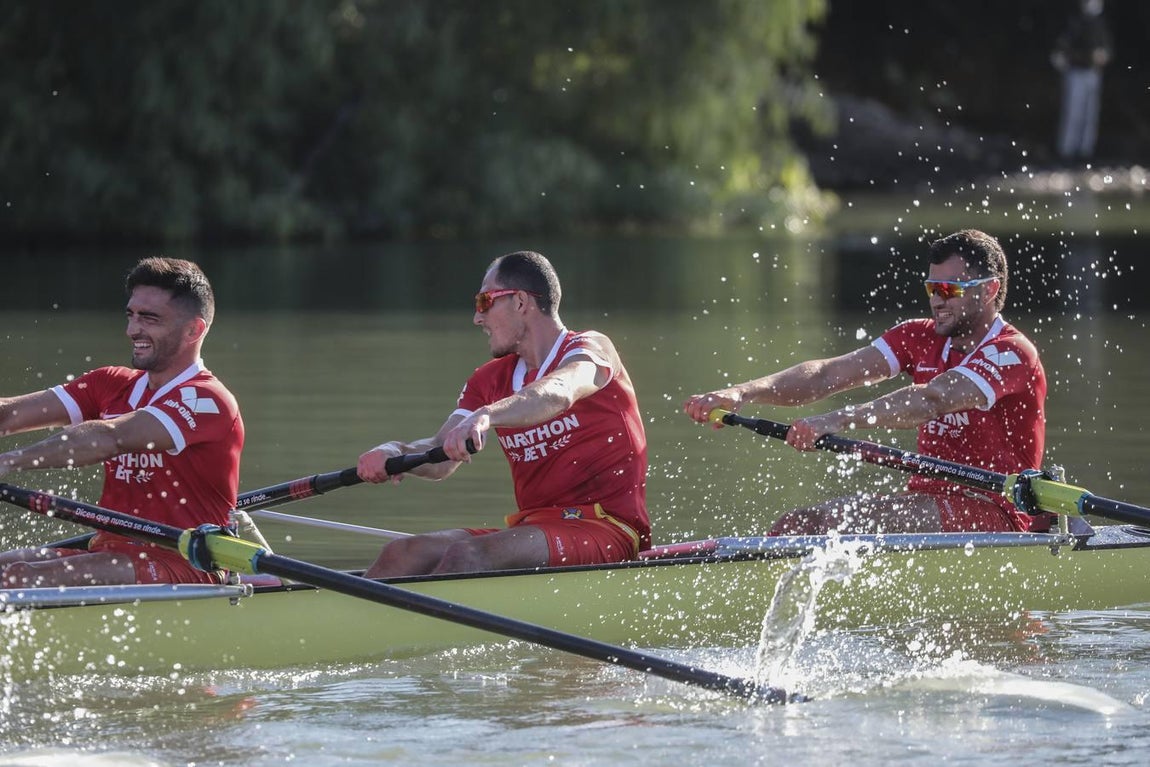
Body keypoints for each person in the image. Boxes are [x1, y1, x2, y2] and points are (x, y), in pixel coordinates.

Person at [683, 229, 1048, 535]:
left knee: (822, 525)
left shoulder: (1012, 353)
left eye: (949, 290)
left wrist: (838, 420)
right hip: (928, 500)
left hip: (995, 511)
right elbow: (827, 374)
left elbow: (933, 399)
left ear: (987, 290)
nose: (936, 300)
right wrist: (742, 392)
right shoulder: (918, 337)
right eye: (931, 288)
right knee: (799, 524)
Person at [357, 251, 649, 577]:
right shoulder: (489, 380)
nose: (477, 318)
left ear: (521, 302)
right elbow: (440, 456)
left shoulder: (590, 349)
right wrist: (397, 452)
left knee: (466, 555)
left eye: (484, 302)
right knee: (402, 554)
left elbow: (560, 391)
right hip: (534, 527)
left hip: (606, 529)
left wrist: (487, 416)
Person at [0, 257, 244, 587]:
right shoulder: (111, 384)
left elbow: (111, 436)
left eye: (149, 319)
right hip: (111, 553)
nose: (132, 330)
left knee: (17, 576)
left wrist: (10, 461)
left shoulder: (206, 401)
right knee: (7, 569)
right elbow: (9, 415)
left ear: (194, 330)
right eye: (131, 315)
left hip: (185, 565)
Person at [1052, 0, 1113, 160]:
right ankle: (1066, 151)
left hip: (1093, 73)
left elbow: (1107, 48)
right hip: (1076, 73)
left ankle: (1086, 151)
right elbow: (1062, 48)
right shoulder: (1075, 23)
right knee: (1074, 112)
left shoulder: (1100, 24)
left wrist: (1103, 55)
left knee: (1090, 114)